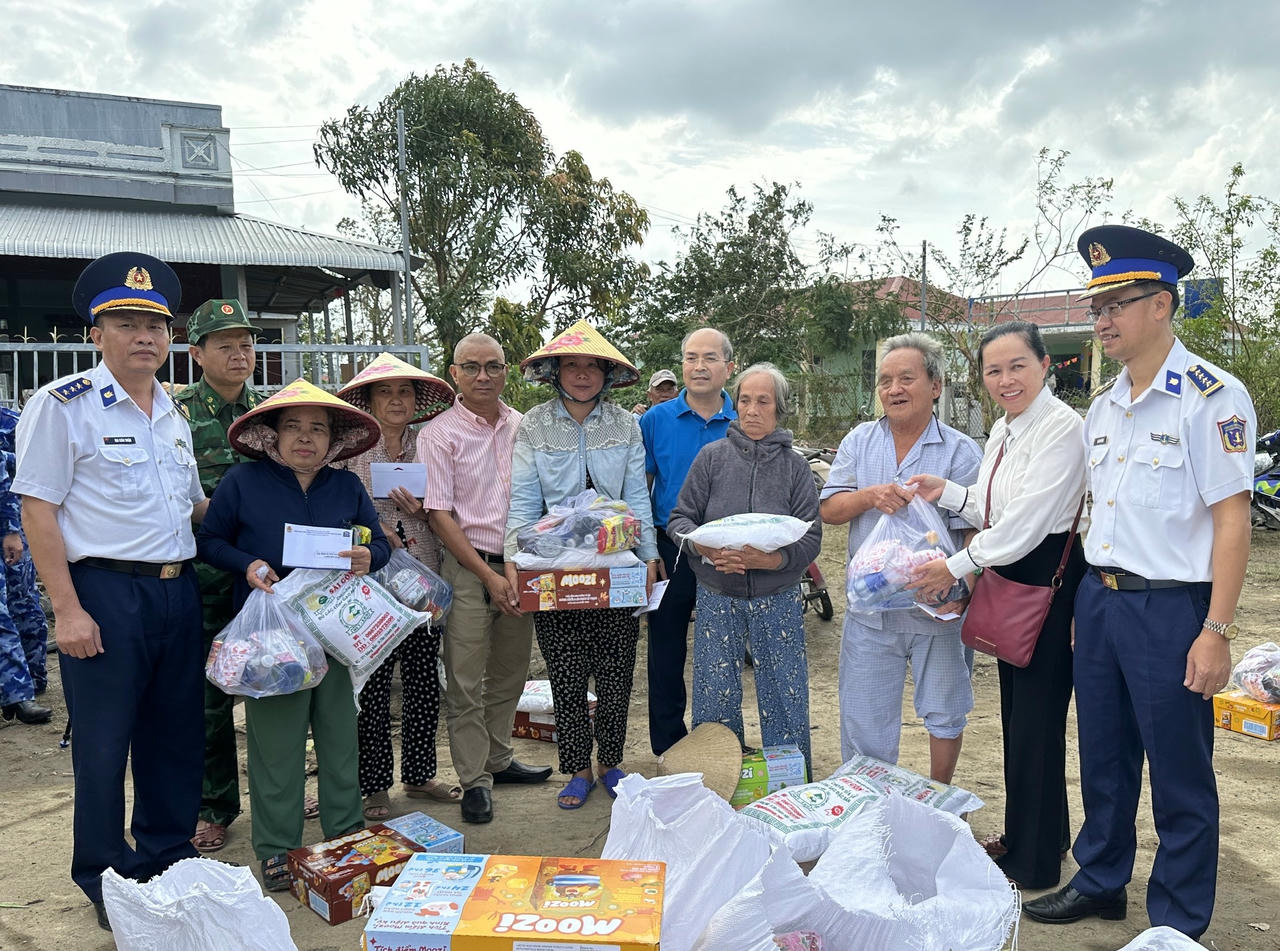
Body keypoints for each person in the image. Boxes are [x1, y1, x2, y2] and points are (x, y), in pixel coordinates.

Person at [1023, 226, 1255, 940]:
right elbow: (1102, 510)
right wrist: (1085, 602)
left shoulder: (1211, 397)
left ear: (1162, 304)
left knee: (1179, 769)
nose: (1102, 319)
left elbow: (1233, 522)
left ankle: (1177, 922)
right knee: (1103, 756)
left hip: (1171, 608)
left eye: (1117, 303)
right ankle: (1101, 880)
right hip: (1102, 601)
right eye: (1097, 306)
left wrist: (1215, 631)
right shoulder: (1104, 404)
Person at [14, 252, 207, 933]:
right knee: (103, 743)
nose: (144, 337)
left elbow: (194, 508)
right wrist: (67, 610)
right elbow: (38, 510)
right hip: (104, 593)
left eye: (155, 325)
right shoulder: (62, 406)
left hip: (176, 590)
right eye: (126, 323)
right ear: (96, 333)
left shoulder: (173, 413)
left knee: (175, 734)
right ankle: (104, 874)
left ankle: (167, 852)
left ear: (170, 336)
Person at [905, 321, 1088, 889]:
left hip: (1044, 576)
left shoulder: (1062, 429)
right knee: (1019, 718)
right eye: (993, 370)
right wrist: (948, 492)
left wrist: (955, 566)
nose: (1006, 380)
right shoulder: (1005, 430)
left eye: (1017, 366)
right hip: (1011, 573)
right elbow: (994, 509)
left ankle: (1033, 863)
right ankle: (1038, 836)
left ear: (1044, 365)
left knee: (1036, 722)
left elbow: (1027, 525)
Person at [197, 378, 390, 892]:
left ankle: (345, 834)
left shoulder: (346, 487)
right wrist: (247, 563)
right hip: (271, 640)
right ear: (272, 435)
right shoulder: (242, 482)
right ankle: (278, 848)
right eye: (294, 427)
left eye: (318, 429)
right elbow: (210, 541)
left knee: (339, 737)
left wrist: (369, 556)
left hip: (335, 630)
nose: (306, 438)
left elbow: (379, 544)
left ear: (333, 440)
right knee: (277, 747)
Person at [504, 321, 659, 808]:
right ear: (555, 372)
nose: (582, 374)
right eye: (572, 365)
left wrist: (649, 555)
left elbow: (636, 496)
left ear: (607, 374)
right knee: (566, 672)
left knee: (617, 670)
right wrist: (513, 559)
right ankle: (577, 768)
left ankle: (611, 762)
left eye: (592, 365)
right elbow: (524, 498)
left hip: (617, 561)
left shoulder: (625, 425)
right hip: (553, 565)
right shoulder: (535, 424)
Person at [818, 333, 981, 783]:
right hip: (872, 608)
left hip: (938, 606)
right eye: (885, 381)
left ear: (936, 386)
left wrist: (965, 589)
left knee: (945, 710)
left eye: (906, 378)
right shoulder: (860, 442)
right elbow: (830, 509)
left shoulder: (960, 451)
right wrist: (870, 496)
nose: (894, 389)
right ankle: (870, 802)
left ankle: (939, 798)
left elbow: (975, 528)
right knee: (865, 714)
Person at [420, 333, 552, 826]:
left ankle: (498, 758)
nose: (483, 376)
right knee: (465, 680)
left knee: (511, 672)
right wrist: (488, 577)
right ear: (454, 373)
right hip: (468, 568)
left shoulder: (524, 426)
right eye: (471, 367)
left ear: (506, 371)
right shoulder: (439, 434)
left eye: (493, 366)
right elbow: (439, 515)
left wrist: (518, 570)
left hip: (521, 566)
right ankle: (474, 779)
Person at [666, 363, 822, 773]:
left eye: (763, 401)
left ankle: (789, 780)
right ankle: (718, 777)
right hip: (717, 594)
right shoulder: (712, 458)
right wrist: (705, 548)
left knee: (784, 692)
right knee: (715, 694)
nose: (752, 410)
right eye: (746, 400)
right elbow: (679, 520)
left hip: (778, 597)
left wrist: (770, 560)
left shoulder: (795, 468)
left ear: (779, 409)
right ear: (735, 406)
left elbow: (811, 537)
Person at [335, 353, 459, 819]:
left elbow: (449, 504)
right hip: (369, 582)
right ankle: (374, 785)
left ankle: (421, 774)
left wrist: (423, 511)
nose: (395, 400)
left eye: (404, 392)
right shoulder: (350, 451)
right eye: (384, 392)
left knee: (424, 681)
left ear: (415, 400)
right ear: (368, 400)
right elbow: (334, 509)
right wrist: (372, 528)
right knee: (372, 685)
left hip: (424, 576)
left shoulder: (428, 443)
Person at [177, 298, 265, 855]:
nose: (239, 354)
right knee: (209, 702)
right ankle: (215, 806)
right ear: (197, 353)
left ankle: (280, 791)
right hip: (205, 581)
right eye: (225, 345)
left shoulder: (273, 413)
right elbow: (172, 497)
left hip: (269, 582)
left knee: (278, 684)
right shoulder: (176, 415)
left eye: (246, 344)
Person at [639, 328, 737, 755]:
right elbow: (640, 488)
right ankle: (669, 746)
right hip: (670, 549)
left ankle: (723, 742)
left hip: (728, 552)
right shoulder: (655, 421)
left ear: (728, 367)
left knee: (723, 650)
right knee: (666, 648)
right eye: (691, 358)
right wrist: (646, 550)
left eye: (710, 358)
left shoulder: (743, 421)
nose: (699, 366)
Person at [0, 406, 51, 725]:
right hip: (13, 525)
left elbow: (31, 468)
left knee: (22, 604)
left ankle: (28, 682)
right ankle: (19, 691)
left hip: (12, 526)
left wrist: (10, 528)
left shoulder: (13, 421)